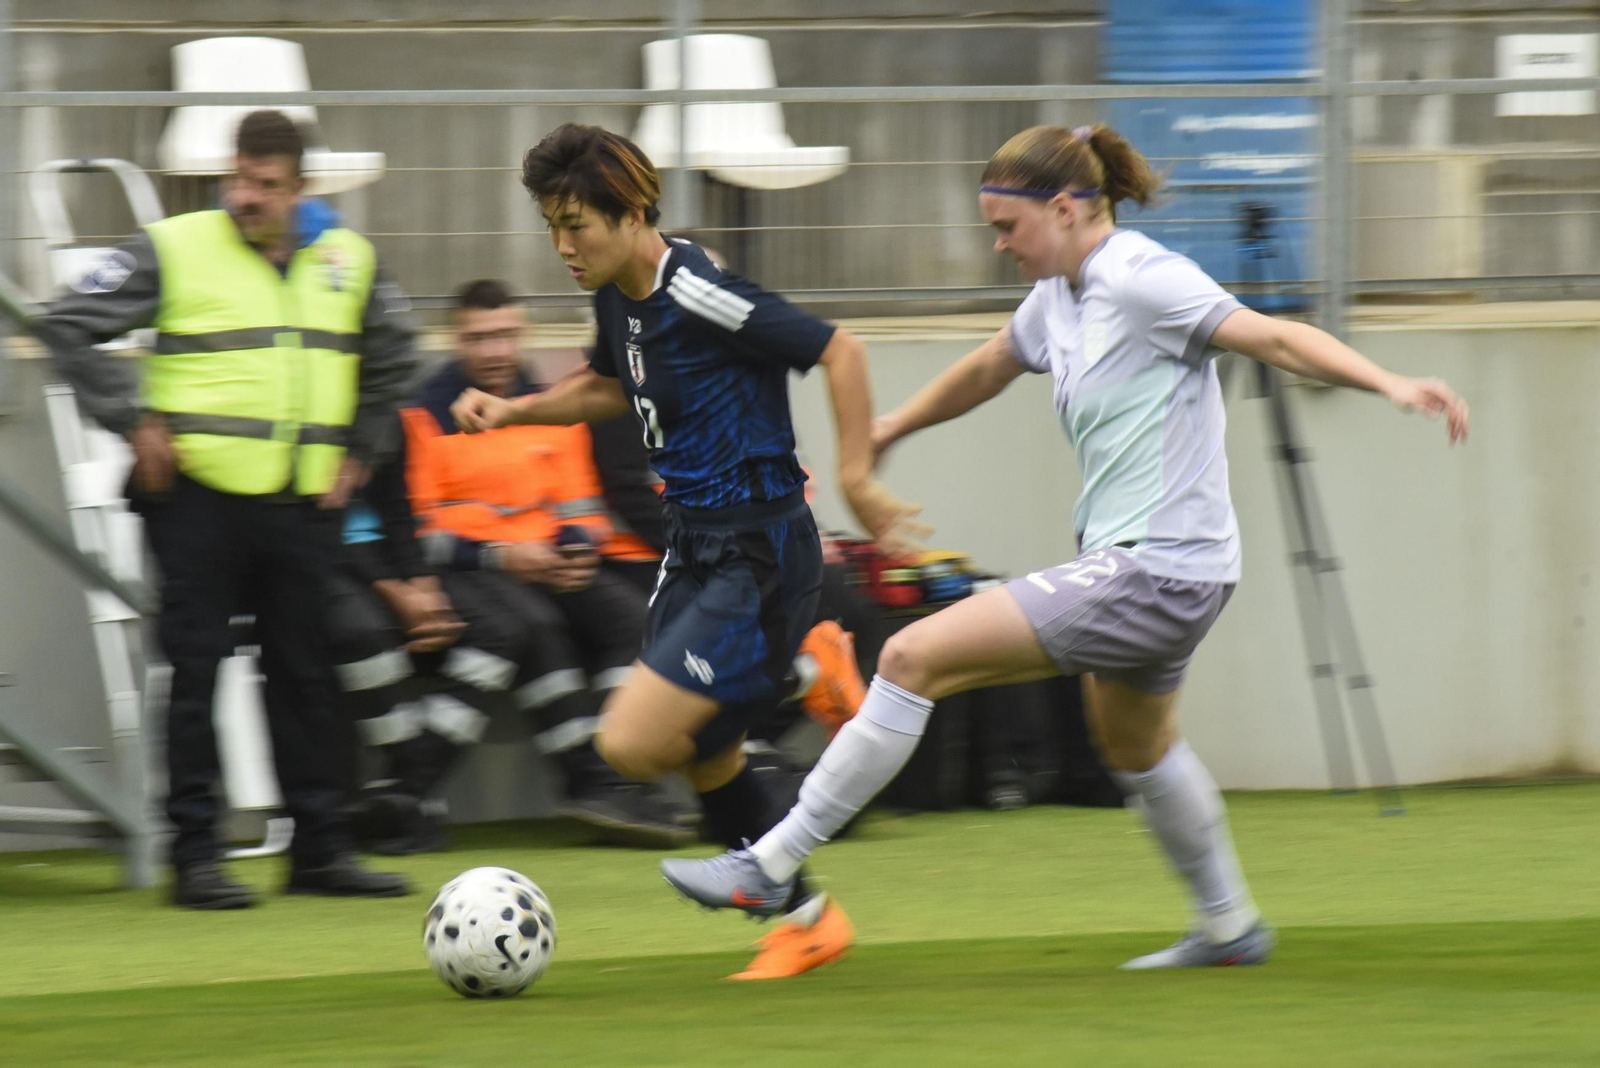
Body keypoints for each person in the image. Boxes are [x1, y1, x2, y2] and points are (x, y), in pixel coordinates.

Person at [660, 122, 1470, 969]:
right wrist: (897, 422)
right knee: (1137, 749)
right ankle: (1230, 930)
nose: (1000, 244)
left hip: (1152, 569)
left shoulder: (1143, 277)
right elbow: (988, 365)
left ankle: (771, 862)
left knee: (908, 658)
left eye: (1009, 227)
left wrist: (1388, 381)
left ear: (1067, 207)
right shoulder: (1060, 294)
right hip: (1171, 570)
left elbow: (1267, 336)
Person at [451, 123, 918, 979]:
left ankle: (806, 667)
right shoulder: (613, 288)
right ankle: (807, 920)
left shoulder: (699, 291)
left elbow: (838, 350)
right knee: (703, 753)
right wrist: (512, 410)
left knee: (630, 746)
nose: (562, 245)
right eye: (552, 226)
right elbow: (606, 385)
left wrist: (857, 477)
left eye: (577, 225)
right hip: (694, 547)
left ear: (632, 214)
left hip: (760, 551)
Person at [34, 110, 416, 908]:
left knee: (307, 676)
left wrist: (359, 455)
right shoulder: (174, 246)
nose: (245, 196)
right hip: (196, 500)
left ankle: (319, 850)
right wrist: (132, 419)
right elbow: (65, 323)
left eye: (265, 185)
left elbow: (393, 361)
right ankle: (196, 857)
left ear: (300, 188)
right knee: (197, 672)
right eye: (237, 178)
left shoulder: (349, 260)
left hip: (301, 500)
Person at [402, 279, 695, 847]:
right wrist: (502, 555)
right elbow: (416, 532)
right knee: (533, 628)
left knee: (630, 619)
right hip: (470, 570)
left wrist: (577, 548)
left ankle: (613, 776)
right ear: (453, 340)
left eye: (506, 335)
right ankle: (582, 780)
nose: (494, 351)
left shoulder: (544, 407)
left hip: (545, 563)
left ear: (524, 334)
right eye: (479, 338)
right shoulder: (422, 416)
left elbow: (583, 504)